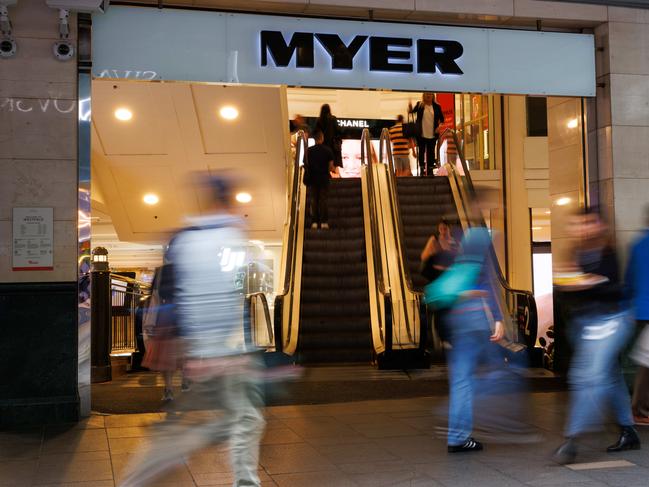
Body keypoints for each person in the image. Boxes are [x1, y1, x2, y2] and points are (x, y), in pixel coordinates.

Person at [119, 173, 266, 487]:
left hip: (211, 348)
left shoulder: (188, 237)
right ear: (222, 202)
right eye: (231, 201)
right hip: (214, 349)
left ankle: (243, 482)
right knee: (225, 422)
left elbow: (198, 294)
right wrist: (212, 350)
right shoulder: (221, 238)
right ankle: (138, 476)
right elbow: (209, 295)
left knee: (238, 418)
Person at [553, 210, 640, 464]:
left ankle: (572, 440)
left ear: (600, 225)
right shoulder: (575, 253)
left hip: (611, 321)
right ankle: (628, 430)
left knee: (587, 377)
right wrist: (574, 282)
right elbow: (569, 290)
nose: (584, 228)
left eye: (589, 223)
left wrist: (586, 282)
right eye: (579, 224)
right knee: (610, 376)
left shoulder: (607, 252)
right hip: (585, 325)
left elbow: (611, 287)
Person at [444, 224, 505, 453]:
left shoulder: (455, 256)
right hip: (474, 320)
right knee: (484, 375)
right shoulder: (480, 254)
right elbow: (489, 284)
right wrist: (498, 318)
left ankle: (456, 437)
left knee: (461, 381)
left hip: (456, 322)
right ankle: (460, 436)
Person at [625, 205, 649, 425]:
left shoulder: (638, 243)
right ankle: (639, 409)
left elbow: (629, 279)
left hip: (640, 309)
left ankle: (639, 408)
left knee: (646, 360)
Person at [408, 92, 444, 176]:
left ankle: (430, 170)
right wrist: (409, 107)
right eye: (427, 94)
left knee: (431, 152)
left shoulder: (437, 107)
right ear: (424, 96)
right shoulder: (420, 105)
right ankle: (421, 169)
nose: (428, 95)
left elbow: (442, 119)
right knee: (421, 151)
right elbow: (411, 112)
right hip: (421, 133)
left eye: (430, 94)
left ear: (433, 96)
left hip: (432, 133)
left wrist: (439, 127)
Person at [304, 129, 334, 230]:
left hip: (312, 179)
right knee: (323, 200)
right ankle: (324, 222)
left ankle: (314, 222)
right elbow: (330, 167)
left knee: (314, 200)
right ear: (322, 138)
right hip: (324, 179)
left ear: (314, 139)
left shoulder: (308, 151)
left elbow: (306, 164)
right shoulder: (328, 150)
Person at [315, 103, 343, 176]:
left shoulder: (319, 120)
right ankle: (333, 173)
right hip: (332, 145)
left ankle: (325, 174)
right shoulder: (333, 119)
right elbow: (338, 130)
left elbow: (316, 131)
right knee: (332, 160)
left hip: (322, 144)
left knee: (324, 160)